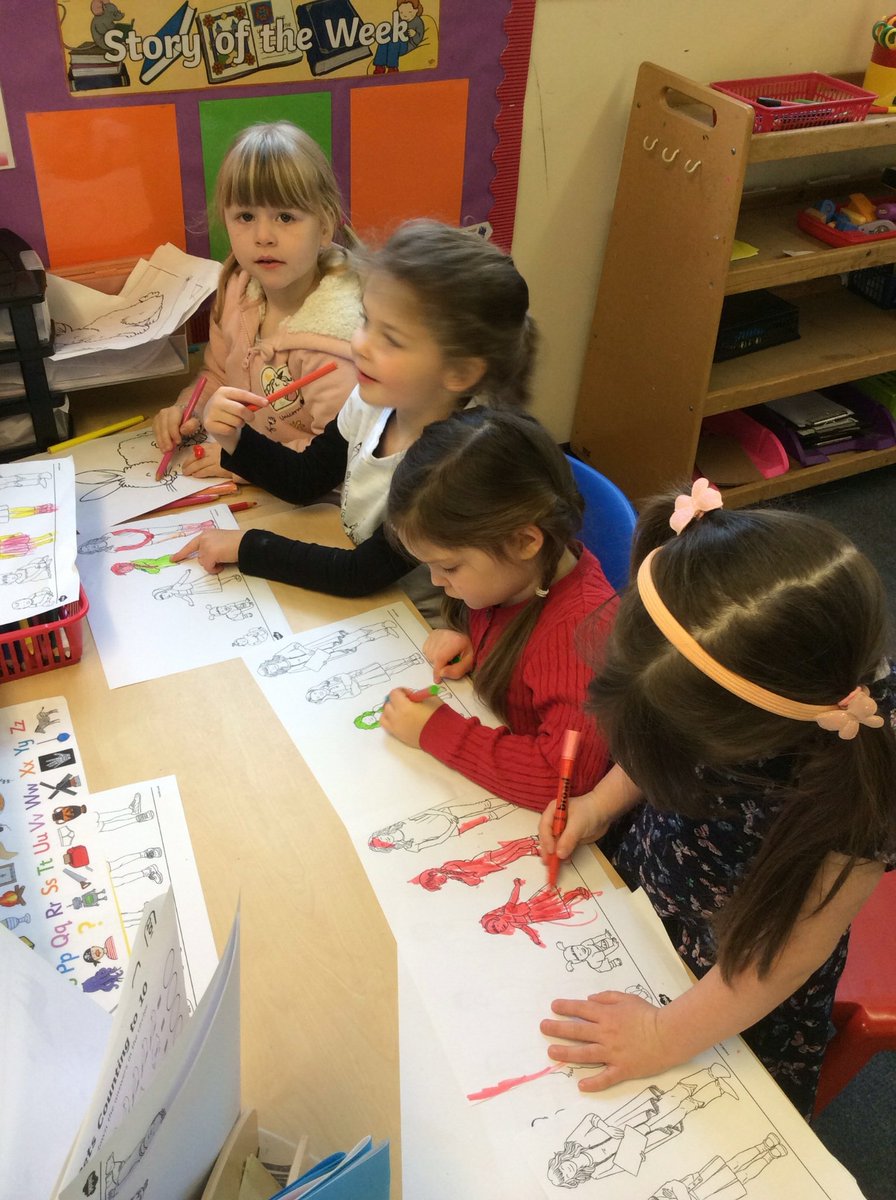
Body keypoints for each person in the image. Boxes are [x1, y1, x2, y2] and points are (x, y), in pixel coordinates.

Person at [538, 479, 896, 1119]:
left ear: (736, 737)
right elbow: (661, 744)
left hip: (735, 970)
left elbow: (784, 956)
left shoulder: (858, 774)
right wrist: (602, 800)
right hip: (657, 896)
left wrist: (663, 1035)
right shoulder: (731, 683)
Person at [172, 220, 536, 619]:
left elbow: (359, 574)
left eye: (391, 339)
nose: (360, 344)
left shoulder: (457, 463)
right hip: (371, 605)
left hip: (421, 629)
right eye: (366, 320)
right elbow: (305, 478)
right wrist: (236, 439)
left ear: (460, 373)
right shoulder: (375, 401)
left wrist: (246, 547)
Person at [379, 408, 616, 808]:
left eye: (449, 567)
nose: (437, 582)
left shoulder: (583, 636)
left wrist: (437, 731)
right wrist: (474, 644)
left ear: (525, 542)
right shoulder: (517, 578)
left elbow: (562, 783)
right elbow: (519, 643)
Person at [153, 121, 362, 478]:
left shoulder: (338, 346)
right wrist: (188, 409)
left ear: (325, 226)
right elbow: (218, 375)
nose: (263, 236)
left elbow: (335, 463)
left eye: (285, 216)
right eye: (246, 216)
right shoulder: (238, 288)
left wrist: (242, 463)